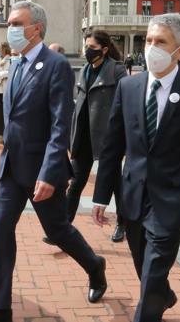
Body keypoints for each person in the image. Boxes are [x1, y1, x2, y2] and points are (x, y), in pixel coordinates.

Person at [0, 2, 107, 322]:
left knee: (57, 230)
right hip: (11, 169)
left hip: (42, 171)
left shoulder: (55, 64)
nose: (10, 27)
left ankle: (94, 265)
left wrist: (48, 171)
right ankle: (0, 307)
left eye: (17, 23)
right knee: (1, 232)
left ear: (36, 29)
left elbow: (61, 124)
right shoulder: (15, 65)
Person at [93, 14, 180, 322]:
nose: (152, 47)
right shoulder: (128, 86)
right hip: (134, 196)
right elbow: (112, 146)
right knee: (144, 267)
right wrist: (101, 196)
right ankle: (163, 296)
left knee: (153, 273)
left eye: (161, 42)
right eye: (149, 41)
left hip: (172, 197)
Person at [64, 30, 127, 244]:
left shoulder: (116, 71)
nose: (87, 51)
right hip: (84, 137)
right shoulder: (84, 70)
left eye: (92, 47)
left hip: (107, 136)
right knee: (75, 182)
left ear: (105, 49)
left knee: (116, 183)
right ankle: (62, 227)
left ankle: (122, 223)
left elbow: (124, 104)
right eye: (86, 47)